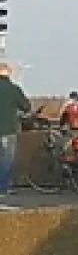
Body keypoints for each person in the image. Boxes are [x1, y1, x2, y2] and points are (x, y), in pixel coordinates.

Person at [0, 63, 32, 194]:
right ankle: (3, 188)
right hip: (8, 130)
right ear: (9, 74)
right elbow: (26, 106)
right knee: (7, 160)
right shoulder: (14, 89)